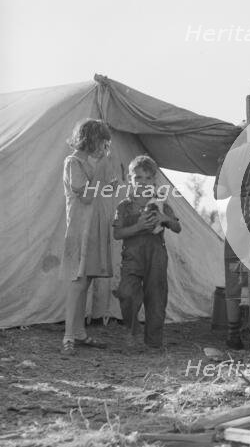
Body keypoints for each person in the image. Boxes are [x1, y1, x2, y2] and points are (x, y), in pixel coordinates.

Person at [112, 155, 181, 349]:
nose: (143, 183)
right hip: (132, 256)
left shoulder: (160, 203)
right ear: (129, 179)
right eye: (138, 178)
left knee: (156, 296)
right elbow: (117, 233)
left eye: (148, 178)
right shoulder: (124, 206)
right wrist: (138, 226)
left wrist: (164, 218)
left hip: (156, 255)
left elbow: (177, 227)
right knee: (126, 292)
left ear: (155, 181)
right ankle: (132, 330)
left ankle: (153, 341)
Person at [60, 119, 114, 356]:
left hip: (92, 228)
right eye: (102, 141)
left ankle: (79, 333)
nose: (103, 147)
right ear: (91, 139)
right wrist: (102, 167)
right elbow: (86, 195)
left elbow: (102, 189)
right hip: (80, 230)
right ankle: (68, 337)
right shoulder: (73, 162)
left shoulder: (88, 164)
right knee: (77, 282)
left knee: (86, 281)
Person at [214, 132, 250, 350]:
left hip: (235, 216)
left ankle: (233, 334)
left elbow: (219, 194)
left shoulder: (227, 157)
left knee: (234, 279)